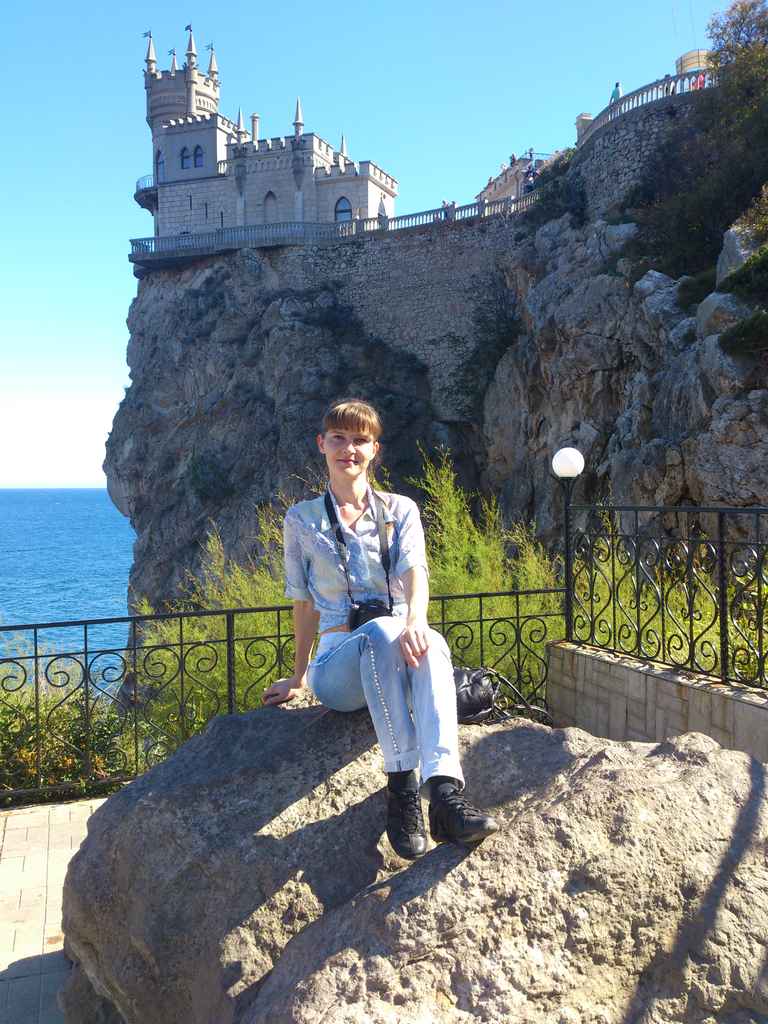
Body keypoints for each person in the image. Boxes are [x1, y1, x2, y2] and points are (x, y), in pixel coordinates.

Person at [262, 398, 499, 859]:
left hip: (399, 652)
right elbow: (303, 602)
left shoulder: (400, 509)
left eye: (360, 440)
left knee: (427, 638)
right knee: (382, 633)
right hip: (339, 666)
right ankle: (402, 785)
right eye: (338, 438)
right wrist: (297, 676)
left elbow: (415, 572)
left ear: (374, 449)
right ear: (322, 444)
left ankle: (445, 796)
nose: (348, 449)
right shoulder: (301, 520)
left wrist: (416, 620)